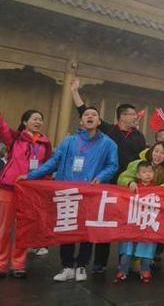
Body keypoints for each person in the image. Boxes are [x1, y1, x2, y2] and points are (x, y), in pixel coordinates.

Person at [19, 106, 118, 282]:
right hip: (68, 192)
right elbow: (53, 162)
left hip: (90, 193)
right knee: (67, 228)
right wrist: (30, 175)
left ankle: (81, 266)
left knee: (87, 230)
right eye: (86, 115)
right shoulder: (69, 141)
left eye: (94, 115)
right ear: (81, 121)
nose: (90, 117)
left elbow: (113, 165)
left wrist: (101, 177)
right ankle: (66, 266)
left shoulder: (108, 143)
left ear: (99, 121)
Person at [70, 78, 146, 273]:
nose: (136, 117)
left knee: (127, 224)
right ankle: (99, 263)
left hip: (129, 186)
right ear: (122, 116)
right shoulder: (109, 130)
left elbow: (141, 161)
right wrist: (74, 92)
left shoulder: (139, 136)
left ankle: (124, 263)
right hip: (108, 183)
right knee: (104, 222)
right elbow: (84, 112)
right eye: (132, 114)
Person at [0, 110, 52, 278]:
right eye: (35, 119)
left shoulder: (45, 143)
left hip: (30, 192)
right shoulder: (15, 138)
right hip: (8, 188)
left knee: (23, 229)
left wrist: (45, 188)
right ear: (24, 122)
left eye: (40, 119)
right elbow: (3, 127)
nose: (38, 122)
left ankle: (18, 265)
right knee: (3, 229)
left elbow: (47, 168)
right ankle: (1, 264)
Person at [114, 161, 163, 284]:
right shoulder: (132, 187)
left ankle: (145, 270)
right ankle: (123, 270)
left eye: (150, 172)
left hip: (147, 224)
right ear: (138, 175)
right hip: (133, 222)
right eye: (144, 172)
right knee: (127, 249)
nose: (148, 174)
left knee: (147, 249)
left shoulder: (158, 188)